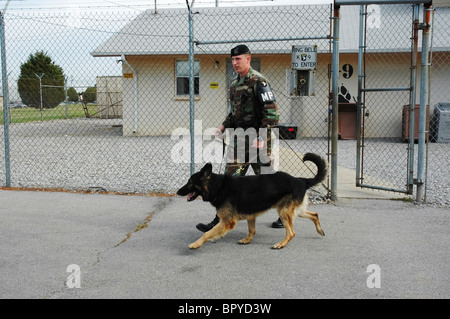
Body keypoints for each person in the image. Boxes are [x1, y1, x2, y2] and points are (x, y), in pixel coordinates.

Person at [196, 44, 285, 232]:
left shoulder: (259, 82)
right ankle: (219, 220)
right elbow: (234, 113)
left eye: (239, 59)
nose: (235, 63)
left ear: (248, 59)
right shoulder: (234, 84)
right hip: (240, 141)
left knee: (268, 181)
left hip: (259, 141)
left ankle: (283, 216)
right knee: (228, 181)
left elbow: (272, 114)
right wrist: (222, 126)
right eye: (233, 60)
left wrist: (261, 137)